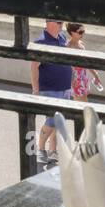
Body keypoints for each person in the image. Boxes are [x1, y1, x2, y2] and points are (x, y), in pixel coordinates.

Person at [30, 18, 73, 165]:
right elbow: (34, 67)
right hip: (50, 88)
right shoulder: (40, 42)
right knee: (51, 121)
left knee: (59, 121)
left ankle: (52, 151)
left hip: (65, 87)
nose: (62, 25)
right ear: (49, 23)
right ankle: (40, 149)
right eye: (59, 22)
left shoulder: (62, 38)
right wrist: (35, 89)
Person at [66, 22, 102, 100]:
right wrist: (72, 82)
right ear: (72, 33)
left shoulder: (81, 44)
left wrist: (95, 75)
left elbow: (86, 62)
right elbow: (67, 68)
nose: (82, 34)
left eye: (83, 31)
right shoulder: (68, 47)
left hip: (82, 78)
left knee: (82, 102)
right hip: (75, 81)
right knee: (81, 105)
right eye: (80, 32)